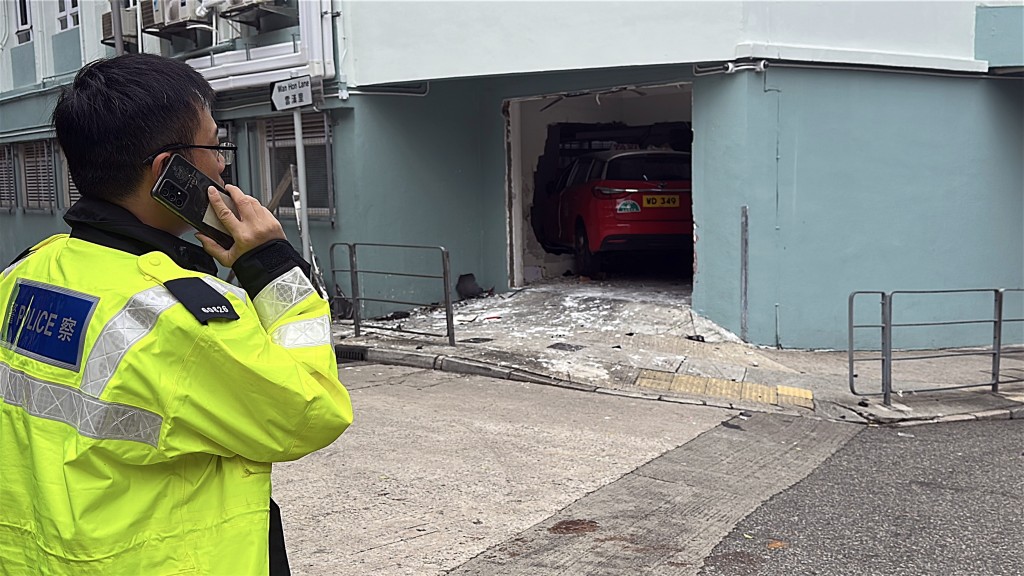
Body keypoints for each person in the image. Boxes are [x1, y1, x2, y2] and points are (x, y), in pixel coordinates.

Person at [0, 53, 352, 575]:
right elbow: (311, 414)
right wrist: (273, 267)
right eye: (215, 145)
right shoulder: (171, 315)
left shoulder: (25, 274)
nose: (223, 164)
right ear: (170, 171)